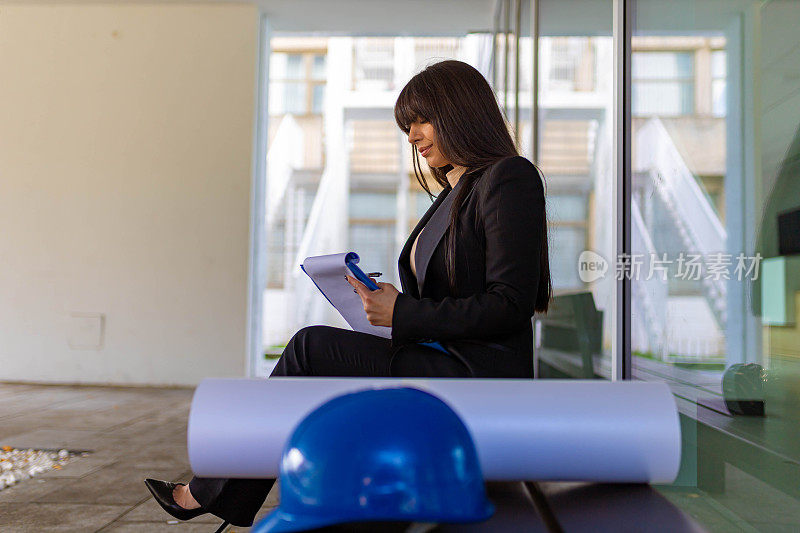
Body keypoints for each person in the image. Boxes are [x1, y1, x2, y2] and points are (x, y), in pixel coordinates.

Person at [144, 59, 552, 530]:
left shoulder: (507, 177)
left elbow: (510, 303)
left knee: (309, 347)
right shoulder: (453, 192)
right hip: (440, 354)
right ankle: (224, 492)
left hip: (476, 370)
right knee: (313, 354)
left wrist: (403, 312)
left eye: (421, 121)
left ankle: (213, 493)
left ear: (460, 114)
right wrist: (384, 303)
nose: (413, 136)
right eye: (407, 127)